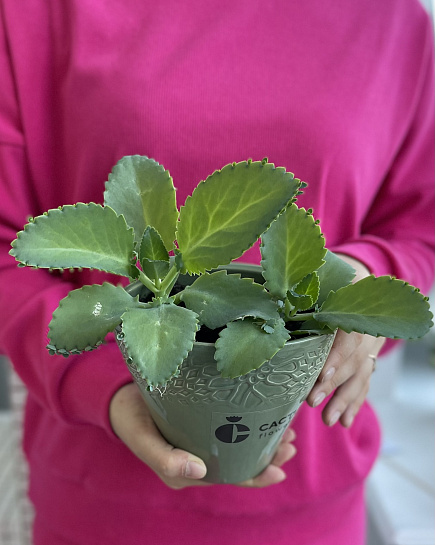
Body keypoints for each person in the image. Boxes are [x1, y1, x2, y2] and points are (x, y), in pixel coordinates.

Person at [0, 1, 433, 544]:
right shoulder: (36, 11)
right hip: (104, 507)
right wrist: (105, 388)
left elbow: (418, 226)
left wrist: (362, 281)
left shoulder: (393, 20)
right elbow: (5, 252)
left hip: (310, 501)